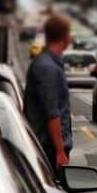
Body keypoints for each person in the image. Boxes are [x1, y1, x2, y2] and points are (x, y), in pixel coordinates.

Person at [24, 14, 73, 172]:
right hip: (47, 149)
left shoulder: (50, 63)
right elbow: (52, 113)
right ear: (65, 37)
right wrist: (60, 151)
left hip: (48, 147)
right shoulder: (47, 68)